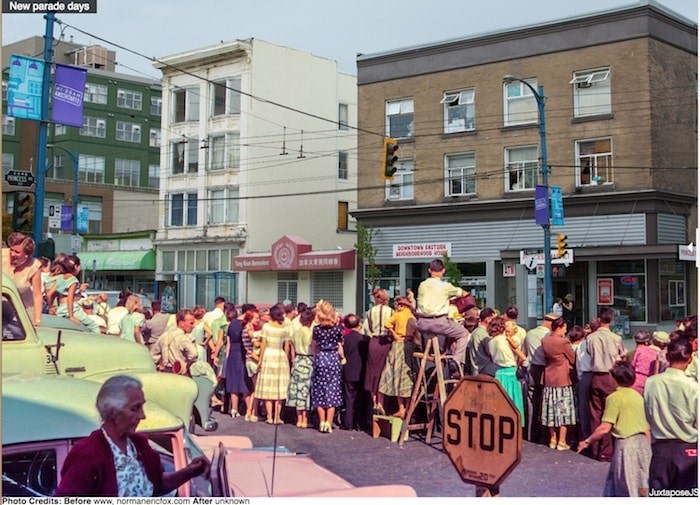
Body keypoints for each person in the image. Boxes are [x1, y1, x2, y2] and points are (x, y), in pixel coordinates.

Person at [54, 375, 209, 497]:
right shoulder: (87, 454)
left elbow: (157, 485)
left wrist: (190, 471)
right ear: (112, 411)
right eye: (135, 408)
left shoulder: (139, 445)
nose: (142, 416)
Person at [577, 361, 651, 497]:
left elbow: (605, 428)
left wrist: (587, 441)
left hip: (626, 445)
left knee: (624, 484)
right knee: (642, 483)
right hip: (643, 444)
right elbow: (646, 426)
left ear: (614, 378)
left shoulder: (614, 398)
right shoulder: (638, 396)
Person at [644, 337, 698, 491]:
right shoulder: (693, 387)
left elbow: (648, 415)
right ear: (690, 359)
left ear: (667, 357)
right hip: (688, 449)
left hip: (660, 449)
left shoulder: (651, 383)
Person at [586, 307, 626, 461]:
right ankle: (606, 450)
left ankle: (595, 449)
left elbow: (590, 353)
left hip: (596, 376)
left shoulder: (591, 337)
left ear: (599, 319)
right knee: (610, 415)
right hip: (611, 377)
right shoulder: (616, 338)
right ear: (611, 320)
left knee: (595, 413)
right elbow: (622, 356)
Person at [415, 259, 470, 369]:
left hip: (421, 323)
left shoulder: (422, 285)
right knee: (463, 333)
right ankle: (456, 360)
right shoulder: (446, 286)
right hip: (439, 323)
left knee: (446, 331)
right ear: (443, 271)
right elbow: (463, 293)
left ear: (429, 270)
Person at [378, 296, 417, 419]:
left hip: (399, 343)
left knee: (396, 375)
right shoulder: (412, 316)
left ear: (400, 305)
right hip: (409, 344)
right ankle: (407, 408)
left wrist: (393, 333)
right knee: (407, 376)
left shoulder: (398, 314)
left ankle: (400, 408)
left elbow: (386, 323)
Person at [541, 317, 576, 451]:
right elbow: (573, 358)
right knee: (563, 410)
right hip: (562, 378)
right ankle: (562, 441)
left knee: (550, 409)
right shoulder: (563, 342)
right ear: (559, 328)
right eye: (565, 328)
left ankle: (552, 438)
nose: (566, 331)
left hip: (549, 377)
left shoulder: (545, 341)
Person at [311, 300, 345, 433]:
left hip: (321, 358)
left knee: (319, 391)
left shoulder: (316, 329)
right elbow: (341, 344)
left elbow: (313, 346)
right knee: (333, 391)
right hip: (333, 359)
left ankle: (322, 421)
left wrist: (316, 357)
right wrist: (341, 357)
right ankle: (329, 423)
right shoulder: (337, 329)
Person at [524, 313, 558, 444]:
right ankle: (545, 435)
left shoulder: (530, 333)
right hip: (545, 369)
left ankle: (531, 433)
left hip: (532, 368)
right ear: (551, 323)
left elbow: (525, 351)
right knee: (546, 402)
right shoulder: (548, 336)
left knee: (532, 401)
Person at [255, 304, 292, 425]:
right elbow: (286, 346)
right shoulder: (285, 329)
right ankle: (277, 416)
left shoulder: (266, 327)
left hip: (268, 355)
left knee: (268, 386)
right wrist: (286, 359)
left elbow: (263, 344)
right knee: (279, 388)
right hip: (280, 356)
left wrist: (260, 360)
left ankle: (269, 416)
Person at [45, 254, 101, 333]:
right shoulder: (73, 280)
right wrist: (71, 316)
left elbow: (49, 294)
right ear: (76, 267)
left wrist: (50, 307)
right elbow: (70, 298)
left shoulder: (60, 278)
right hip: (72, 309)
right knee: (93, 326)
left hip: (61, 308)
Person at [489, 318, 526, 427]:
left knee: (499, 404)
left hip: (498, 373)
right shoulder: (507, 340)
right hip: (511, 373)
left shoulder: (490, 342)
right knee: (514, 403)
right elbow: (523, 357)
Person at [362, 288, 394, 415]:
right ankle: (381, 403)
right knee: (383, 372)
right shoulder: (391, 311)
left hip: (374, 342)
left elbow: (366, 329)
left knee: (372, 373)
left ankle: (374, 401)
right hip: (386, 342)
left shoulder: (370, 312)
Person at [287, 308, 316, 429]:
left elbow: (292, 349)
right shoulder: (310, 333)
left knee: (297, 390)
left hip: (298, 360)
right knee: (306, 390)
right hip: (308, 361)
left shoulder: (295, 332)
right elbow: (313, 349)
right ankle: (305, 418)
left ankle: (299, 419)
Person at [7, 231, 43, 326]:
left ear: (27, 255)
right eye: (11, 250)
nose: (12, 254)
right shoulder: (2, 256)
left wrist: (37, 320)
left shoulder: (34, 266)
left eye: (17, 252)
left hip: (21, 311)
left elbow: (37, 295)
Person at [341, 313, 369, 431]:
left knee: (349, 398)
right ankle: (361, 424)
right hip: (362, 371)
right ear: (359, 324)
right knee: (361, 398)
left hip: (348, 370)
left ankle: (348, 424)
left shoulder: (344, 339)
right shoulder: (365, 339)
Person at [224, 304, 252, 418]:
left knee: (233, 382)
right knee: (244, 382)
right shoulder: (244, 325)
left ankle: (234, 409)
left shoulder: (232, 324)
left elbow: (228, 342)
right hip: (242, 353)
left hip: (232, 354)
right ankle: (249, 409)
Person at [150, 309, 198, 374]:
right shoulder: (184, 338)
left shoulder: (165, 335)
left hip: (164, 372)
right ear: (181, 324)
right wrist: (187, 364)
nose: (193, 326)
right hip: (180, 373)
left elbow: (153, 355)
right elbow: (194, 354)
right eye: (191, 323)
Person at [467, 307, 498, 377]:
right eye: (493, 319)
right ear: (488, 320)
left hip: (476, 369)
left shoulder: (475, 332)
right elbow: (491, 352)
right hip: (483, 369)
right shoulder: (483, 334)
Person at [629, 329, 660, 395]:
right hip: (650, 381)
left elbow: (632, 365)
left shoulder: (637, 351)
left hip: (636, 381)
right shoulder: (656, 352)